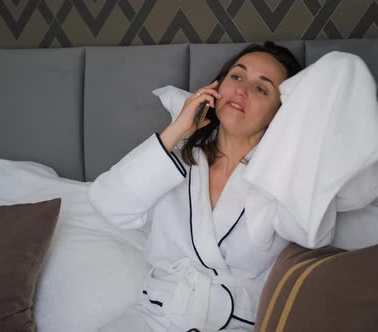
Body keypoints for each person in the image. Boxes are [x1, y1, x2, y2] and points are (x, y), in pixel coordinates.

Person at [88, 41, 303, 332]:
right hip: (153, 319)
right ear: (217, 87)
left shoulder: (285, 181)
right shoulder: (176, 161)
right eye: (237, 77)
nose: (241, 90)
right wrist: (178, 130)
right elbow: (109, 204)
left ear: (280, 112)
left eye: (261, 88)